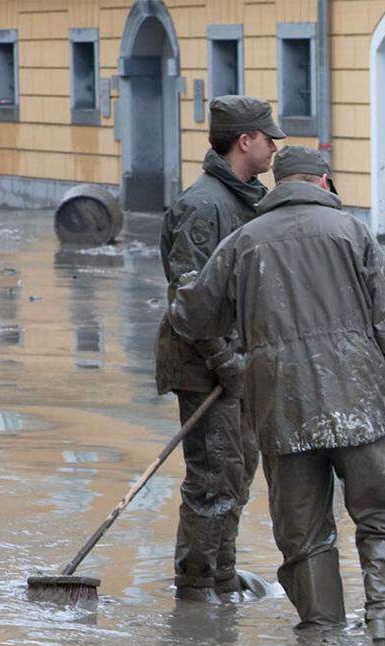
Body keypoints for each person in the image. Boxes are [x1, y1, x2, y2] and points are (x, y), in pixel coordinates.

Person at [168, 146, 385, 642]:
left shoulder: (244, 242)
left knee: (303, 532)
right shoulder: (354, 233)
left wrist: (211, 306)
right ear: (324, 184)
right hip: (362, 406)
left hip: (283, 409)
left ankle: (322, 630)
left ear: (278, 188)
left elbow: (192, 317)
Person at [156, 95, 285, 602]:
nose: (275, 146)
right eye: (268, 137)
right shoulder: (201, 204)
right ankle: (195, 585)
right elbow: (187, 297)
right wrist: (223, 360)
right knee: (213, 477)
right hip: (203, 365)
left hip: (239, 363)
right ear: (244, 141)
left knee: (237, 472)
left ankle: (223, 575)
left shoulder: (247, 199)